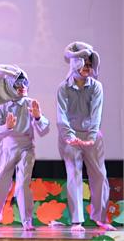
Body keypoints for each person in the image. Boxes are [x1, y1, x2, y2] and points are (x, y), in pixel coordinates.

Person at [56, 41, 115, 232]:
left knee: (100, 175)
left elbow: (96, 113)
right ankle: (77, 221)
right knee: (74, 175)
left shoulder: (96, 86)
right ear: (76, 64)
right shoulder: (63, 88)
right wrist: (69, 136)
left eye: (90, 64)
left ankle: (100, 217)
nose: (87, 68)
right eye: (84, 64)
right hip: (70, 137)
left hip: (92, 135)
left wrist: (91, 136)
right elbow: (61, 116)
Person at [0, 65, 49, 230]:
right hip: (7, 148)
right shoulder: (3, 106)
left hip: (26, 149)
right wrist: (6, 127)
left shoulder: (30, 103)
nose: (22, 87)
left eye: (24, 83)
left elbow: (44, 126)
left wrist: (38, 117)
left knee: (22, 185)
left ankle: (27, 221)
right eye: (18, 84)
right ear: (10, 87)